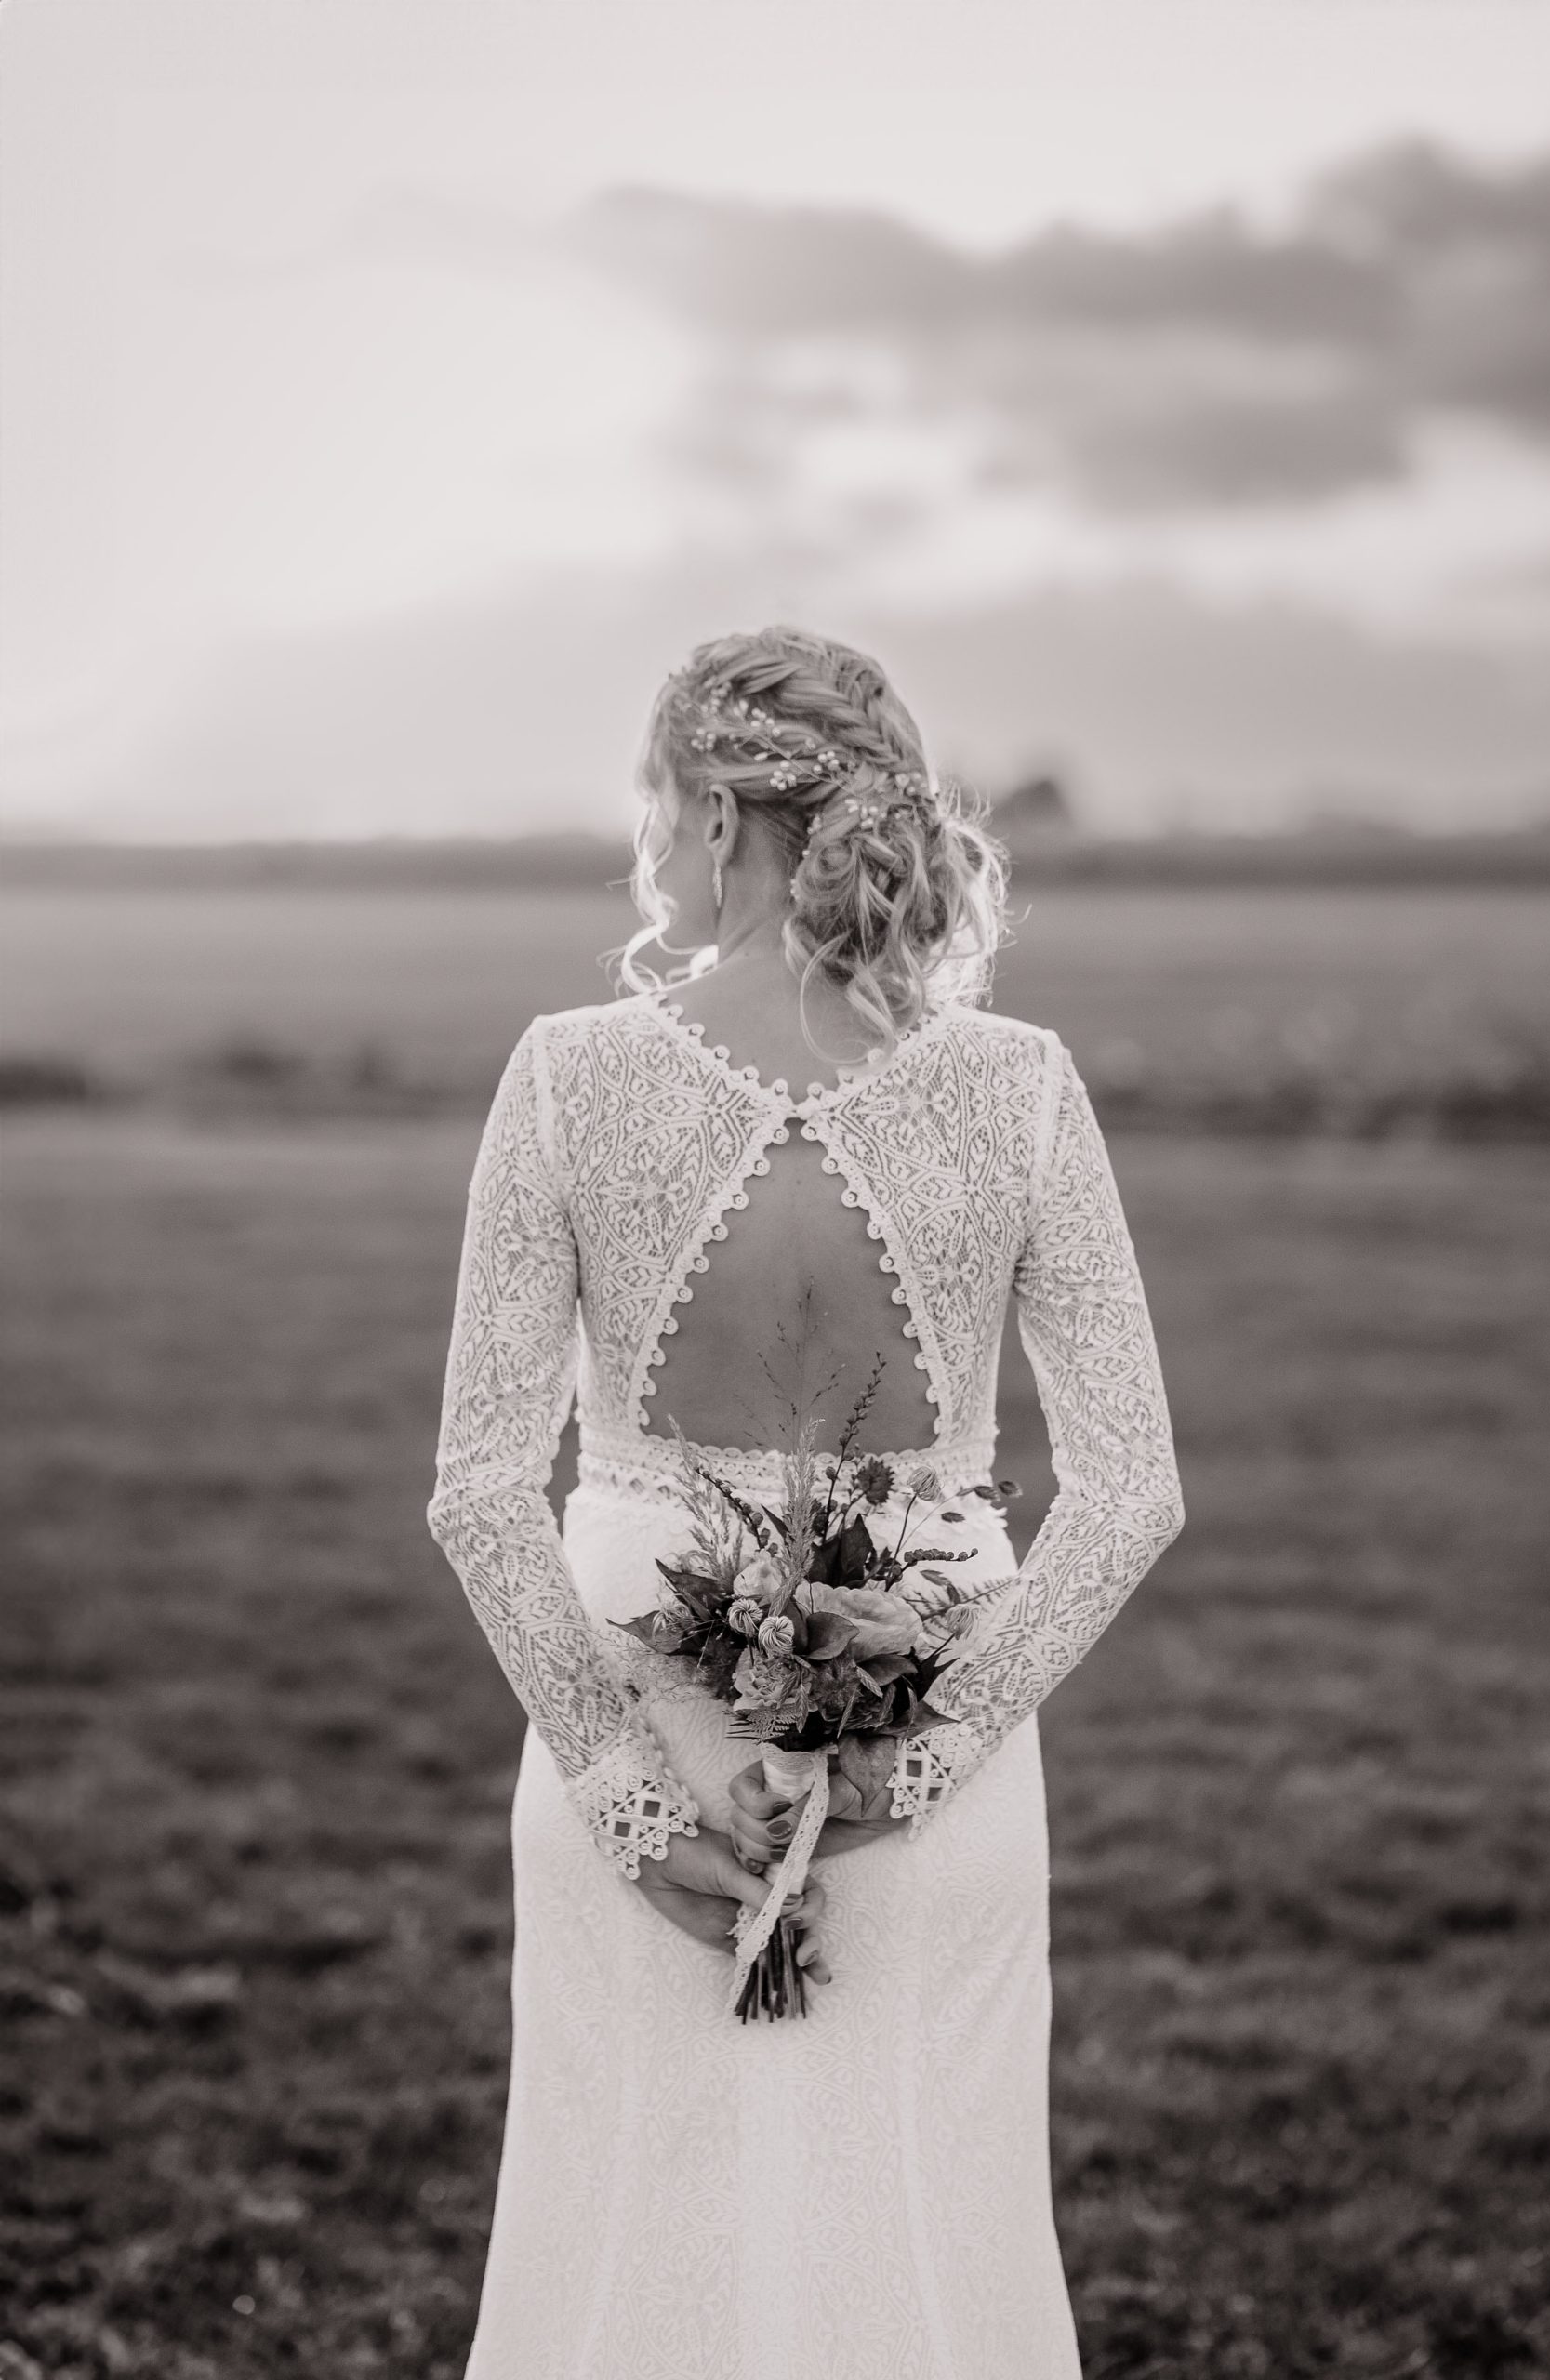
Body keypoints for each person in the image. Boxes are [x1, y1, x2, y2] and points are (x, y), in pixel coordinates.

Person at [426, 626, 1185, 2379]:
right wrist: (919, 1757)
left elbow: (480, 1487)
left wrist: (628, 1799)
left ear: (710, 819)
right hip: (932, 1770)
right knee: (921, 2245)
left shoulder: (566, 1075)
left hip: (643, 1731)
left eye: (649, 806)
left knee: (628, 2252)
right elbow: (1130, 1484)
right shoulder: (1019, 1087)